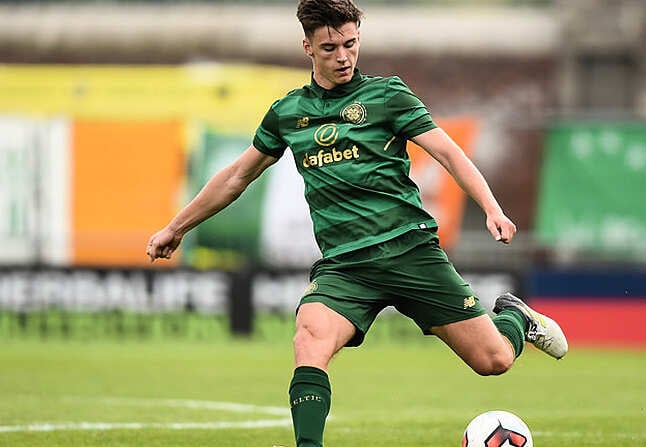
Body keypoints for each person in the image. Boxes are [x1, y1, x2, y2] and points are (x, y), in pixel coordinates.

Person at [146, 1, 568, 446]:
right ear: (307, 47)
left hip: (410, 252)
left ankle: (516, 319)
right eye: (331, 48)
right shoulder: (288, 113)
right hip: (346, 267)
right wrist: (177, 227)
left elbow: (447, 152)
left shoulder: (387, 97)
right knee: (309, 339)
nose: (344, 56)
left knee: (494, 360)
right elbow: (236, 177)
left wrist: (491, 207)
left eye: (351, 44)